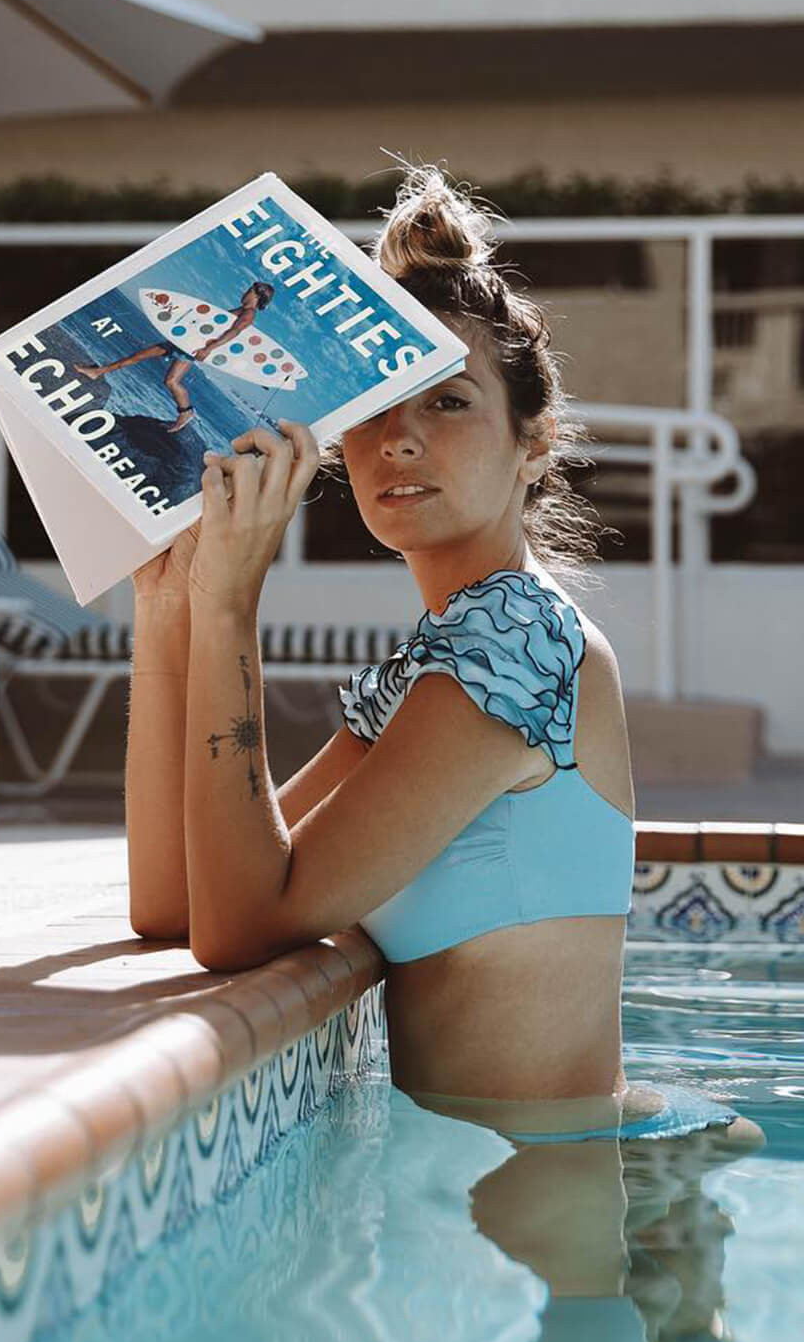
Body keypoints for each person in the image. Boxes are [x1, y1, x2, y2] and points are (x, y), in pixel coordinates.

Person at [125, 162, 764, 1154]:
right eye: (377, 409)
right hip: (501, 1197)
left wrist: (231, 606)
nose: (401, 440)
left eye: (448, 403)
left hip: (554, 1200)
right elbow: (178, 896)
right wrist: (168, 610)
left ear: (534, 441)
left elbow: (242, 923)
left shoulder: (520, 648)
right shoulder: (433, 663)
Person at [74, 281, 274, 433]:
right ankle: (97, 372)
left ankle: (186, 412)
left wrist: (210, 348)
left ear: (256, 295)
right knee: (138, 356)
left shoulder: (249, 314)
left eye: (249, 290)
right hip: (187, 342)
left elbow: (234, 333)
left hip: (193, 348)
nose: (245, 291)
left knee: (171, 381)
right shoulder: (241, 309)